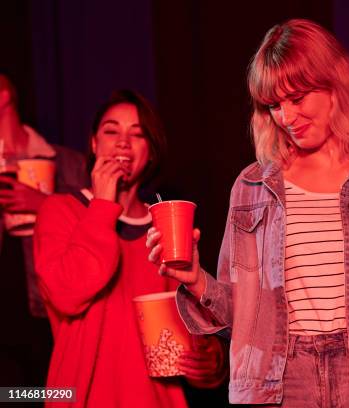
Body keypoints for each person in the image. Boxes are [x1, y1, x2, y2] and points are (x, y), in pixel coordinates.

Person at [147, 19, 349, 407]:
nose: (287, 117)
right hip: (278, 384)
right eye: (274, 105)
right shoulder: (253, 186)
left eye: (297, 97)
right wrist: (193, 278)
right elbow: (241, 318)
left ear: (336, 83)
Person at [34, 90, 228, 407]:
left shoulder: (166, 223)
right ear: (94, 144)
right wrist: (101, 207)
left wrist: (208, 361)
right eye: (111, 131)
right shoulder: (60, 211)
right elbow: (69, 294)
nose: (123, 142)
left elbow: (194, 328)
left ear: (150, 152)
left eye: (137, 135)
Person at [0, 74, 87, 387]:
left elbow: (99, 229)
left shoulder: (67, 163)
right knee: (9, 395)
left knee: (54, 391)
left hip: (48, 305)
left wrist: (44, 204)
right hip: (6, 306)